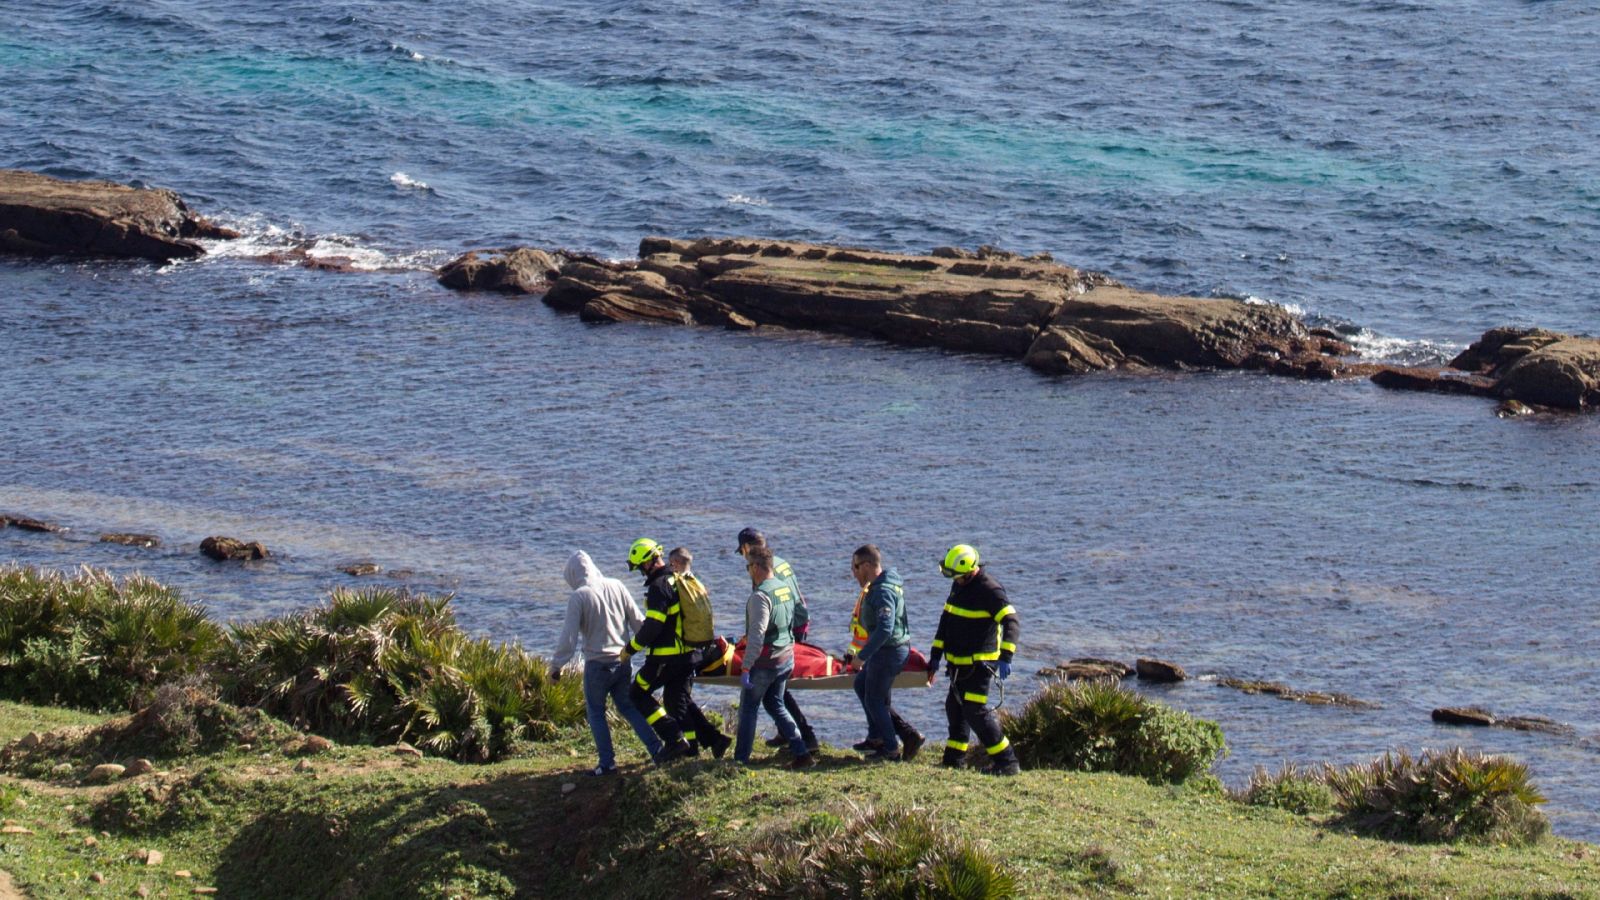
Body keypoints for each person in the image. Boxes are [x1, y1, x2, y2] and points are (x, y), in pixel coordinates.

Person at [550, 550, 667, 775]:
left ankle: (607, 763)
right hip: (623, 661)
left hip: (597, 665)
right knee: (628, 707)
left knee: (596, 712)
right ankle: (657, 750)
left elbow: (569, 638)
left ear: (573, 575)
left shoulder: (579, 596)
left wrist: (557, 666)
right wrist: (655, 649)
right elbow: (639, 622)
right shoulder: (617, 585)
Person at [624, 537, 732, 759]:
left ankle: (673, 739)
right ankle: (706, 743)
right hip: (690, 655)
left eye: (640, 568)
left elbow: (653, 625)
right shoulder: (677, 578)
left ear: (648, 562)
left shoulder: (658, 587)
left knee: (637, 693)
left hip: (666, 658)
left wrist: (630, 649)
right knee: (677, 701)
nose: (641, 573)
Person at [926, 543, 1021, 776]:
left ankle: (1007, 762)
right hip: (957, 664)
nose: (954, 580)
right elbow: (946, 622)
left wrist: (1006, 656)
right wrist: (935, 657)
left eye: (957, 576)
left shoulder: (990, 590)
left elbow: (1012, 622)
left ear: (970, 571)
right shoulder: (958, 586)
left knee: (975, 712)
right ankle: (954, 759)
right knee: (955, 708)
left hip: (979, 665)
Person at [736, 527, 820, 752]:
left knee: (777, 688)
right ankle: (790, 734)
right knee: (777, 690)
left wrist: (748, 660)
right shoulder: (778, 562)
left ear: (747, 549)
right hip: (796, 620)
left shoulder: (764, 575)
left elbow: (764, 616)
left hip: (786, 629)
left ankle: (805, 736)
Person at [844, 554, 926, 761]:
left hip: (889, 651)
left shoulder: (882, 590)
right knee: (862, 686)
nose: (853, 572)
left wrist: (862, 657)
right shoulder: (878, 586)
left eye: (856, 566)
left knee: (874, 700)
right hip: (884, 650)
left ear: (868, 565)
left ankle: (890, 748)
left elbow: (885, 629)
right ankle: (880, 736)